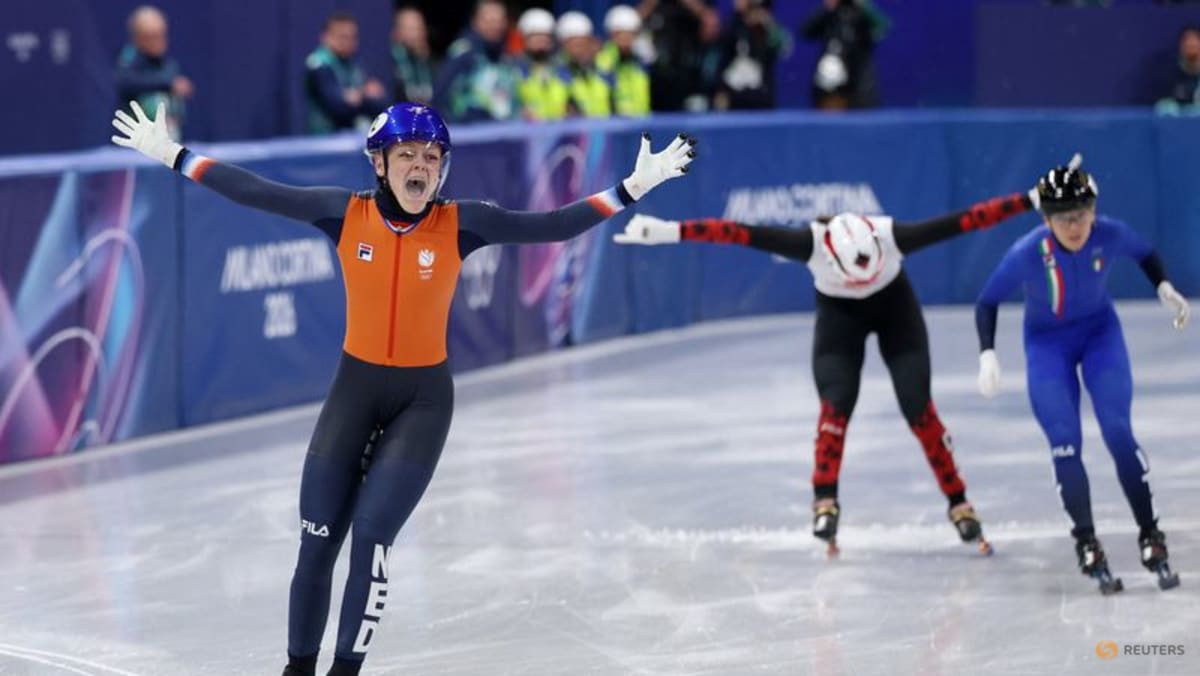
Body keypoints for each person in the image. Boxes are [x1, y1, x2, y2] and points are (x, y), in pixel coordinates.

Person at [110, 100, 696, 675]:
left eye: (432, 157)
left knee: (371, 538)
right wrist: (174, 155)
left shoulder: (461, 223)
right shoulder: (345, 213)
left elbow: (551, 227)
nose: (421, 166)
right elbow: (257, 191)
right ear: (380, 163)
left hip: (422, 404)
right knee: (317, 541)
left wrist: (631, 188)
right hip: (354, 393)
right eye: (408, 154)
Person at [613, 191, 1038, 555]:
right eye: (856, 274)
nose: (863, 279)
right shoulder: (810, 244)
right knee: (834, 409)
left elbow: (967, 221)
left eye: (871, 268)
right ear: (833, 257)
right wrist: (669, 232)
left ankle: (959, 502)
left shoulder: (890, 236)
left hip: (896, 312)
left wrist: (1030, 200)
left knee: (919, 410)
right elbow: (735, 233)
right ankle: (825, 500)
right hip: (840, 320)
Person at [975, 162, 1189, 593]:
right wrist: (987, 354)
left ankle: (1151, 534)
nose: (1074, 227)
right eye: (1063, 218)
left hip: (1099, 337)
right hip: (1047, 348)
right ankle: (1086, 541)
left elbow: (1146, 253)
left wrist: (1162, 285)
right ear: (1046, 220)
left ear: (1094, 211)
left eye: (1081, 215)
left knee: (1118, 432)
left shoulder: (1109, 233)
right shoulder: (1026, 253)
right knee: (1065, 442)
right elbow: (987, 301)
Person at [432, 0, 520, 122]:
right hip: (470, 131)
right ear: (475, 22)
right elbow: (440, 98)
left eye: (499, 21)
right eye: (489, 21)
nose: (495, 26)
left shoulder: (507, 58)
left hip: (505, 129)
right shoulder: (462, 54)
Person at [115, 5, 192, 140]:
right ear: (138, 38)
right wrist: (168, 85)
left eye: (161, 35)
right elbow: (125, 82)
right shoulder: (130, 58)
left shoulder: (168, 65)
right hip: (136, 144)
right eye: (152, 37)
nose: (159, 42)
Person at [305, 11, 388, 134]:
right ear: (325, 37)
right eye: (342, 37)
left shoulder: (354, 64)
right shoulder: (318, 64)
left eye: (352, 37)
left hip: (355, 134)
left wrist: (357, 96)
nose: (348, 42)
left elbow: (377, 101)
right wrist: (362, 94)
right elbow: (337, 105)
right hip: (326, 136)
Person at [799, 0, 890, 110]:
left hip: (860, 84)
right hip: (833, 86)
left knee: (862, 109)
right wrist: (828, 8)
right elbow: (805, 31)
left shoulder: (862, 14)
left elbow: (883, 26)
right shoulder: (830, 14)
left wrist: (863, 6)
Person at [713, 0, 792, 111]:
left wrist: (769, 25)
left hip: (761, 95)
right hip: (732, 93)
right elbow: (722, 58)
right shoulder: (733, 27)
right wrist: (720, 89)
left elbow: (785, 48)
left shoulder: (768, 29)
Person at [514, 7, 570, 121]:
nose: (541, 40)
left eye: (545, 36)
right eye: (535, 36)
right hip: (527, 130)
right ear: (525, 38)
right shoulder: (514, 69)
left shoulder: (563, 68)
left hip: (561, 128)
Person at [555, 12, 615, 117]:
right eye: (574, 44)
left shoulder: (605, 69)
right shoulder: (558, 74)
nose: (578, 49)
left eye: (582, 43)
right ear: (564, 45)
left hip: (607, 125)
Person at [597, 5, 652, 116]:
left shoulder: (640, 60)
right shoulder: (603, 61)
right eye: (621, 34)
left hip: (641, 121)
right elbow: (601, 98)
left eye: (631, 34)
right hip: (613, 123)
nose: (626, 39)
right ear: (612, 34)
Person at [390, 7, 436, 105]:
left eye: (418, 29)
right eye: (410, 29)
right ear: (397, 32)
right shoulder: (389, 64)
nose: (415, 35)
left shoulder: (433, 64)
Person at [1155, 26, 1200, 115]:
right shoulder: (1169, 76)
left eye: (1195, 44)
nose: (1191, 46)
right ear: (1181, 46)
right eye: (1187, 44)